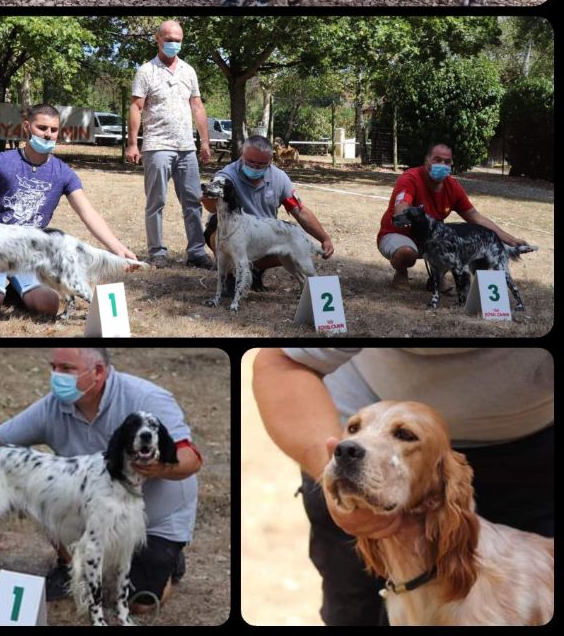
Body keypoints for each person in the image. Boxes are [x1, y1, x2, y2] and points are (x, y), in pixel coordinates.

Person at [252, 347, 553, 626]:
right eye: (355, 430)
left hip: (533, 451)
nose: (349, 447)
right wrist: (323, 464)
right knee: (352, 610)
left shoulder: (506, 602)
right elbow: (280, 363)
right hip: (345, 402)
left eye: (404, 435)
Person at [0, 348, 201, 616]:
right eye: (53, 367)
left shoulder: (146, 400)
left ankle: (169, 561)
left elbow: (191, 459)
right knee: (55, 499)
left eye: (67, 369)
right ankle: (68, 565)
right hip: (91, 505)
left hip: (161, 515)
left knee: (141, 603)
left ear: (97, 372)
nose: (57, 376)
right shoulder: (55, 405)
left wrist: (152, 466)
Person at [0, 103, 140, 319]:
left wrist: (117, 249)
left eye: (53, 130)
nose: (48, 134)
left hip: (31, 254)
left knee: (49, 305)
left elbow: (88, 214)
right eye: (42, 128)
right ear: (27, 127)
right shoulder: (1, 161)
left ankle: (15, 290)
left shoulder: (64, 173)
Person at [377, 140, 529, 289]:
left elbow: (475, 217)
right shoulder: (410, 178)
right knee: (406, 253)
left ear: (451, 165)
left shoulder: (453, 186)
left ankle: (436, 280)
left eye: (447, 162)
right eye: (437, 160)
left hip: (428, 237)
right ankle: (401, 272)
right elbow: (401, 210)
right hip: (397, 233)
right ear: (427, 161)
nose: (442, 165)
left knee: (452, 241)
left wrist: (511, 240)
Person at [126, 20, 213, 269]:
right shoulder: (146, 71)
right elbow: (136, 107)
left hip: (186, 148)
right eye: (169, 39)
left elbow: (197, 106)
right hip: (157, 146)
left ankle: (196, 252)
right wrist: (133, 143)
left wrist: (204, 142)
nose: (174, 44)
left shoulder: (189, 71)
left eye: (178, 39)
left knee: (194, 202)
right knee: (156, 202)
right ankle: (157, 251)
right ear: (158, 39)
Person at [202, 135, 335, 291]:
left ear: (271, 160)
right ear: (241, 155)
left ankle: (255, 271)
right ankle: (230, 274)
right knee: (219, 237)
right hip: (231, 233)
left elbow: (300, 210)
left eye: (262, 164)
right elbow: (211, 208)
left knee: (291, 243)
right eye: (250, 162)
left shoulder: (279, 178)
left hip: (261, 236)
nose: (255, 167)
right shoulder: (226, 176)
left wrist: (324, 238)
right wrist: (207, 197)